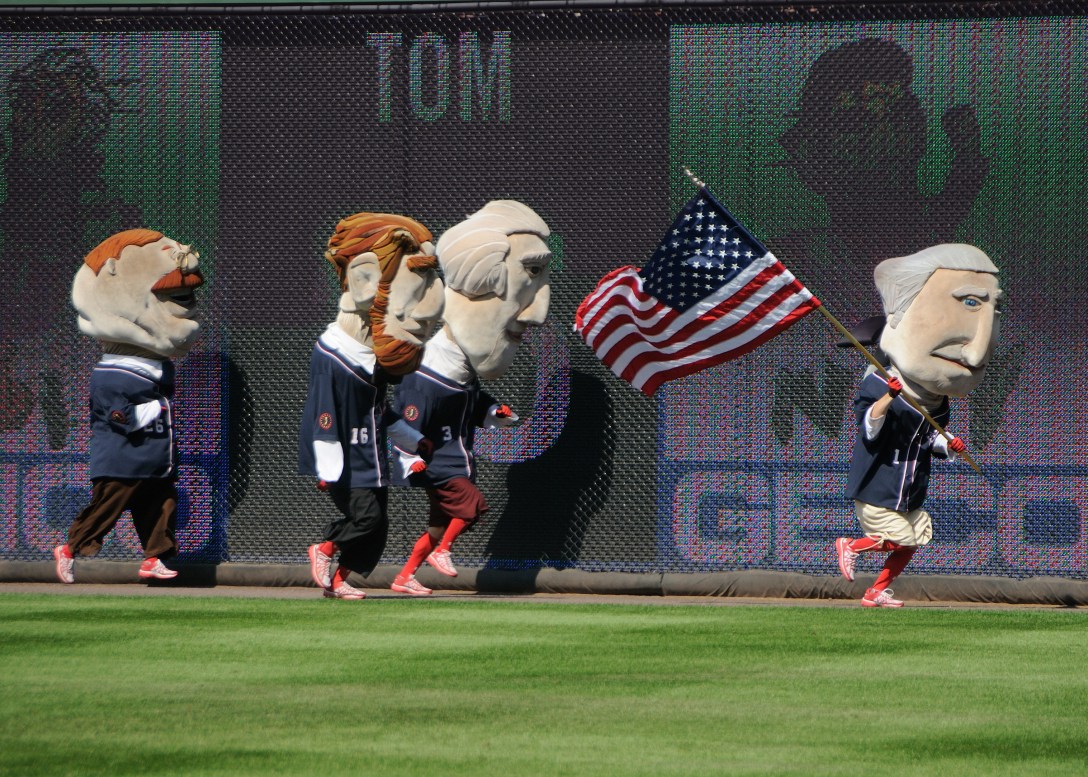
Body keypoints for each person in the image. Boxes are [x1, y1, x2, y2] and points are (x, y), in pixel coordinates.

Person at [388, 200, 552, 596]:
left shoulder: (460, 371)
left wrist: (494, 410)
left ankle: (404, 576)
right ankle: (442, 552)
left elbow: (470, 403)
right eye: (529, 272)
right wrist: (409, 458)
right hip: (438, 464)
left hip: (454, 459)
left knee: (439, 524)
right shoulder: (426, 374)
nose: (536, 313)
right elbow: (405, 421)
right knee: (473, 506)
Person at [835, 243, 1002, 607]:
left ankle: (875, 591)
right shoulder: (877, 384)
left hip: (909, 487)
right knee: (899, 539)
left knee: (913, 541)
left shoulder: (937, 401)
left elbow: (928, 438)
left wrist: (948, 444)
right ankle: (852, 545)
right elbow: (870, 428)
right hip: (879, 487)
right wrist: (889, 397)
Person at [300, 212, 444, 600]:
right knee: (367, 518)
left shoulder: (373, 358)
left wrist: (413, 440)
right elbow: (323, 411)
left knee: (377, 528)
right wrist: (326, 465)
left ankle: (338, 581)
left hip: (372, 456)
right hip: (345, 458)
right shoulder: (332, 354)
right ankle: (325, 548)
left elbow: (379, 410)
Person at [53, 229, 204, 583]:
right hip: (122, 462)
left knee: (162, 506)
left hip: (154, 459)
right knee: (106, 509)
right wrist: (159, 408)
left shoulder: (156, 372)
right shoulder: (113, 376)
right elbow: (120, 418)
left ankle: (155, 558)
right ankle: (70, 549)